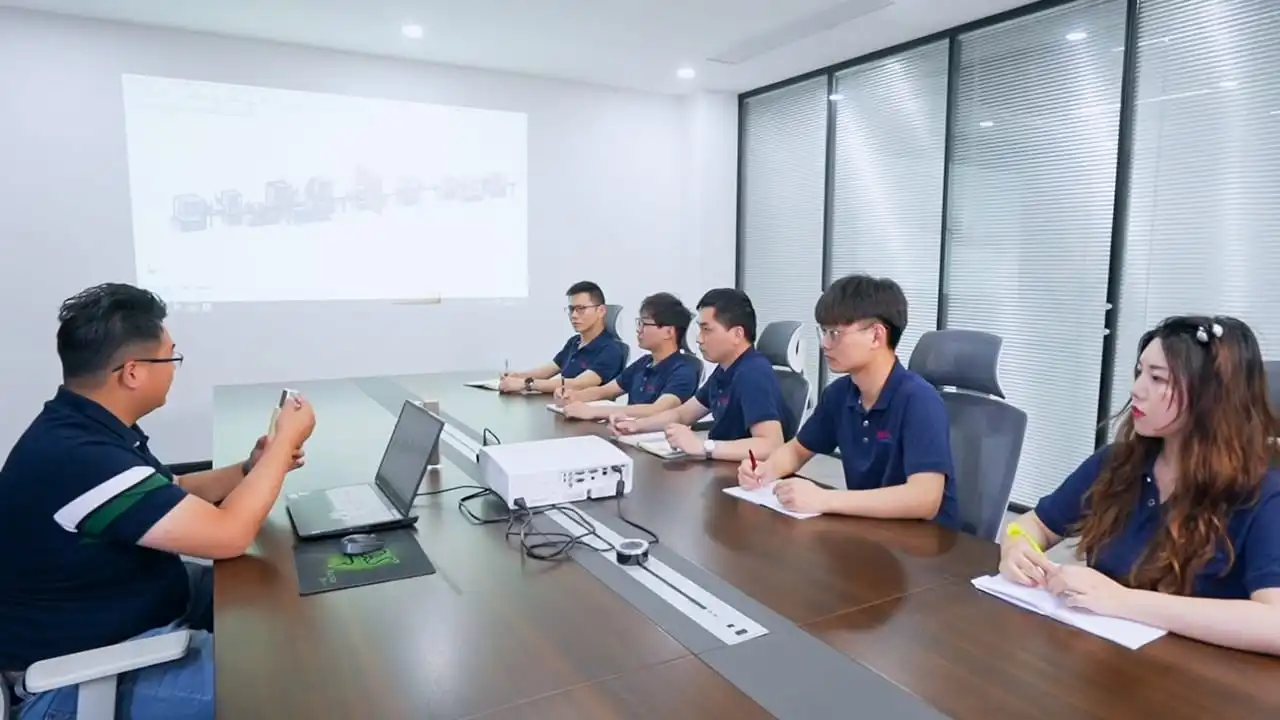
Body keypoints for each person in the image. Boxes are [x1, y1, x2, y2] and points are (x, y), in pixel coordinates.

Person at [0, 283, 316, 718]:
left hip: (138, 607)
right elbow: (228, 536)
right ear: (132, 372)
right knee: (295, 680)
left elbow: (174, 490)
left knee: (289, 601)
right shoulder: (79, 457)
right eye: (170, 358)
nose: (173, 369)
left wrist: (249, 468)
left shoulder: (81, 426)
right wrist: (283, 446)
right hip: (78, 679)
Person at [1000, 315, 1280, 656]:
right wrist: (1016, 546)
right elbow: (1036, 524)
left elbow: (1274, 623)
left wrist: (1123, 600)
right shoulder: (1117, 464)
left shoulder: (1262, 495)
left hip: (1197, 679)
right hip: (1106, 663)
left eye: (1157, 378)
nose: (1136, 389)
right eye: (1139, 372)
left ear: (1211, 395)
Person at [737, 274, 958, 525]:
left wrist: (825, 499)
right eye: (823, 332)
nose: (824, 344)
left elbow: (925, 499)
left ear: (876, 336)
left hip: (924, 541)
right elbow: (797, 450)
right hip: (870, 528)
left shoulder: (919, 400)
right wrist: (764, 471)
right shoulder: (840, 394)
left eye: (834, 333)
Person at [613, 288, 794, 462]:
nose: (699, 339)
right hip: (724, 465)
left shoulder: (753, 373)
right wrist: (636, 425)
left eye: (707, 330)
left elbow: (770, 444)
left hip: (744, 473)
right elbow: (682, 414)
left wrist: (703, 446)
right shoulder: (725, 369)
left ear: (737, 334)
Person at [555, 292, 701, 421]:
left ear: (669, 332)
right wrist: (573, 396)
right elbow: (605, 390)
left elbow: (657, 410)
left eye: (644, 324)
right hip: (628, 431)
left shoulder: (684, 369)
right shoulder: (645, 362)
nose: (638, 330)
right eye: (639, 323)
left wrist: (594, 412)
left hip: (656, 438)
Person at [499, 281, 627, 394]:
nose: (574, 315)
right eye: (571, 309)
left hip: (587, 410)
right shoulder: (574, 342)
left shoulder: (612, 349)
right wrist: (517, 376)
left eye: (581, 309)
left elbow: (578, 384)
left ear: (601, 311)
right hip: (563, 405)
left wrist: (526, 383)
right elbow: (548, 370)